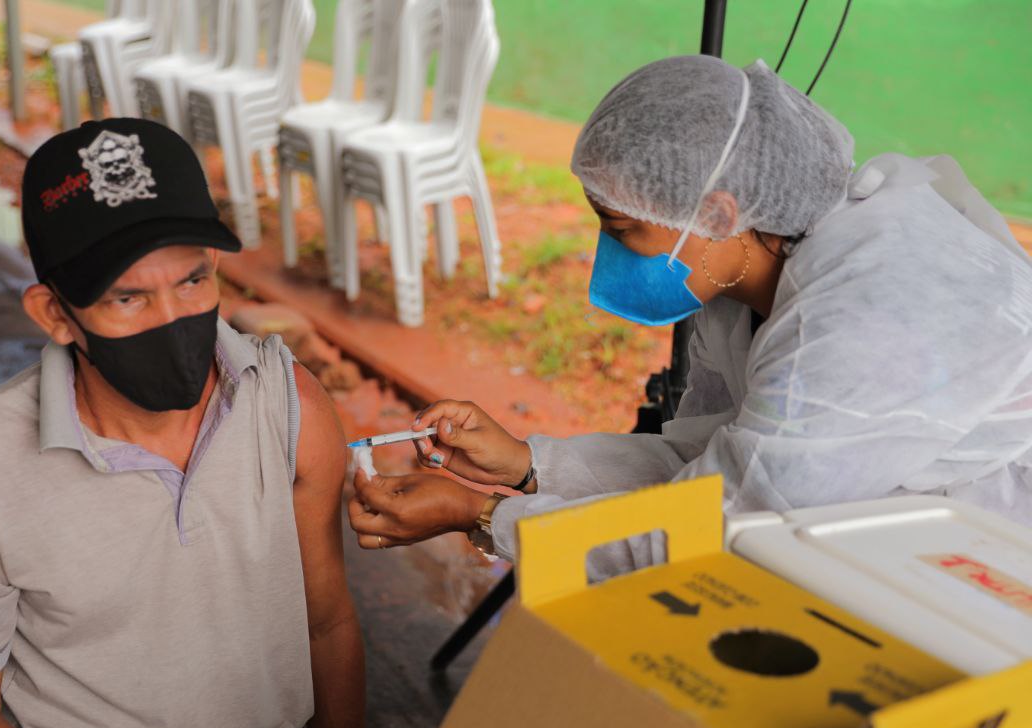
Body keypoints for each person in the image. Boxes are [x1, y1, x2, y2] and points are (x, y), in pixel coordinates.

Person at [0, 118, 392, 728]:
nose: (174, 320)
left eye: (193, 279)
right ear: (54, 314)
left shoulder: (286, 403)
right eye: (128, 298)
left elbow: (327, 622)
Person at [350, 55, 1032, 576]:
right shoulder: (737, 276)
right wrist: (528, 465)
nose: (609, 256)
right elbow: (709, 462)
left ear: (717, 212)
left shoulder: (859, 323)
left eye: (623, 228)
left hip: (981, 561)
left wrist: (484, 515)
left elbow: (714, 528)